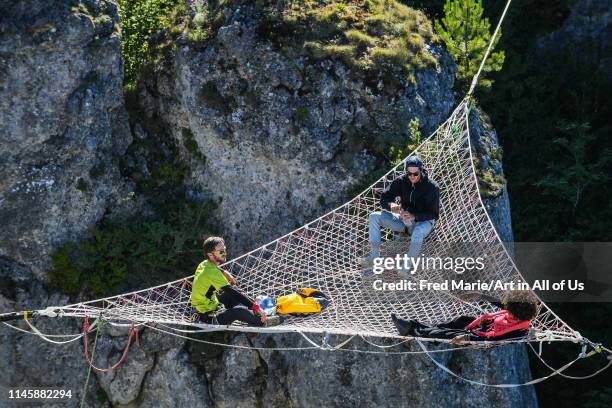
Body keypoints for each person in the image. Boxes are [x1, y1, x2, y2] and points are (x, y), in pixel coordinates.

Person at [362, 155, 439, 277]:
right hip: (403, 221)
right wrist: (398, 210)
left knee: (418, 232)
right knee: (373, 217)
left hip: (423, 223)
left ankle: (406, 268)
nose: (412, 177)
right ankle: (374, 258)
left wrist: (414, 216)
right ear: (406, 171)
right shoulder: (401, 181)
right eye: (409, 174)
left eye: (416, 174)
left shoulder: (432, 187)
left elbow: (433, 214)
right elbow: (384, 199)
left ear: (421, 170)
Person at [190, 236, 281, 327]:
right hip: (206, 316)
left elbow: (215, 273)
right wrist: (256, 308)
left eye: (224, 250)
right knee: (238, 311)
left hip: (209, 304)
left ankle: (254, 313)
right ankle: (262, 321)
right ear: (210, 255)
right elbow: (233, 292)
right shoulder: (212, 273)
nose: (224, 253)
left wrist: (225, 272)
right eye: (221, 252)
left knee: (235, 296)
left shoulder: (204, 264)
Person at [391, 290, 539, 343]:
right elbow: (499, 303)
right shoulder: (514, 310)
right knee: (459, 320)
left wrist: (466, 338)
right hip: (480, 327)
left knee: (441, 334)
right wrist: (479, 294)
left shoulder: (518, 331)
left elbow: (495, 339)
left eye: (508, 308)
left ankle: (410, 328)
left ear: (517, 314)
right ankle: (415, 325)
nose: (505, 308)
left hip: (479, 339)